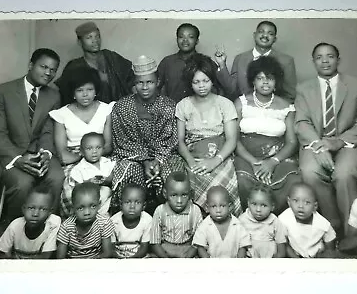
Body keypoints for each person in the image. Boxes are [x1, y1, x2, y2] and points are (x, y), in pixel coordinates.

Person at [295, 42, 357, 234]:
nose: (325, 61)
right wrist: (319, 144)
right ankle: (333, 227)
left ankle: (352, 233)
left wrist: (338, 141)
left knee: (345, 174)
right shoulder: (304, 88)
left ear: (338, 60)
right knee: (309, 171)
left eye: (330, 56)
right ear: (313, 62)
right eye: (319, 57)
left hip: (350, 142)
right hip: (316, 141)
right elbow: (301, 122)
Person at [110, 55, 185, 214]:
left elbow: (171, 139)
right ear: (134, 84)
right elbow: (122, 142)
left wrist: (157, 160)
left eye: (149, 82)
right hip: (132, 157)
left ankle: (167, 216)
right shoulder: (122, 107)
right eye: (140, 82)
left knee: (172, 173)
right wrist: (144, 161)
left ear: (157, 82)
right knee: (128, 171)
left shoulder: (169, 106)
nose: (145, 87)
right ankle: (132, 217)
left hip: (163, 156)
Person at [0, 48, 64, 221]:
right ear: (31, 65)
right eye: (44, 67)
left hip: (39, 154)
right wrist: (17, 159)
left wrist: (46, 154)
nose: (48, 73)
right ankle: (16, 232)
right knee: (22, 184)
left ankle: (49, 230)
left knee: (57, 178)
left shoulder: (54, 96)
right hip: (11, 156)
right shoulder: (3, 92)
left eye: (53, 70)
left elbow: (48, 130)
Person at [176, 53, 242, 216]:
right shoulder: (183, 105)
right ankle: (200, 223)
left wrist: (215, 161)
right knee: (191, 178)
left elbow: (232, 139)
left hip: (220, 155)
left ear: (212, 80)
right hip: (193, 156)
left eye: (205, 81)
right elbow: (180, 140)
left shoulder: (225, 104)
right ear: (190, 83)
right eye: (196, 82)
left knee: (223, 183)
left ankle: (226, 223)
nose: (201, 86)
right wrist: (191, 162)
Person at [233, 56, 301, 213]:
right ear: (253, 81)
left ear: (276, 82)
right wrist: (254, 162)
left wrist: (273, 162)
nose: (265, 82)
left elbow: (292, 142)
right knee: (242, 181)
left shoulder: (287, 107)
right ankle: (250, 221)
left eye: (269, 78)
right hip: (246, 155)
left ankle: (274, 223)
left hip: (277, 156)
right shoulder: (241, 103)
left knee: (293, 180)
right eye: (260, 78)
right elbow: (234, 140)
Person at [49, 67, 114, 217]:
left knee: (106, 187)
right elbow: (63, 155)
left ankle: (102, 227)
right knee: (72, 190)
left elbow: (108, 146)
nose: (85, 94)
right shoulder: (61, 114)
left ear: (96, 90)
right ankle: (73, 227)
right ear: (72, 92)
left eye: (90, 89)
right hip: (73, 161)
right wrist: (83, 156)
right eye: (80, 90)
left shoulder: (105, 109)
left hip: (100, 156)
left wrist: (93, 154)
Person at [215, 20, 297, 103]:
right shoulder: (240, 59)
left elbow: (290, 95)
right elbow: (232, 90)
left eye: (270, 33)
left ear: (275, 39)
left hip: (273, 111)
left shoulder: (286, 61)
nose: (265, 35)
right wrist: (222, 65)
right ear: (254, 35)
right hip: (245, 110)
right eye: (261, 32)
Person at [55, 21, 134, 105]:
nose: (95, 40)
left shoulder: (112, 57)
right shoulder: (74, 66)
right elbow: (64, 94)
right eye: (89, 37)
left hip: (119, 110)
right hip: (89, 114)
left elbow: (132, 80)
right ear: (79, 42)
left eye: (97, 36)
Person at [158, 23, 222, 102]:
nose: (185, 40)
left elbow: (219, 90)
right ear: (177, 39)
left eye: (190, 37)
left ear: (197, 41)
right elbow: (156, 88)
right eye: (181, 37)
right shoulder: (167, 62)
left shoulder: (206, 62)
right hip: (172, 110)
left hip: (200, 111)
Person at [0, 184, 61, 259]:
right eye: (31, 208)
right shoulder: (15, 225)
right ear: (23, 209)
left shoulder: (53, 224)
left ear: (50, 212)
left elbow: (46, 257)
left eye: (43, 209)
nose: (35, 214)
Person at [150, 171, 203, 258]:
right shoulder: (160, 211)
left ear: (190, 194)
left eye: (184, 195)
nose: (179, 201)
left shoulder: (195, 210)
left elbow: (199, 240)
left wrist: (187, 258)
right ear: (165, 194)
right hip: (165, 251)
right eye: (174, 195)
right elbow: (154, 242)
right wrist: (166, 260)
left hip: (188, 250)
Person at [56, 182, 114, 259]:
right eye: (81, 208)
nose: (87, 213)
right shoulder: (66, 227)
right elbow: (60, 259)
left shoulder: (104, 223)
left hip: (96, 263)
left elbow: (107, 253)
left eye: (93, 206)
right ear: (73, 208)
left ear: (99, 204)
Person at [279, 183, 336, 258]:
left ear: (315, 206)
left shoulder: (322, 224)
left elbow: (330, 245)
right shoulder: (284, 219)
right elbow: (284, 244)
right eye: (296, 201)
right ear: (289, 202)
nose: (301, 206)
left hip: (317, 257)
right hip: (294, 256)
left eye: (307, 202)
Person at [193, 186, 251, 258]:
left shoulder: (237, 224)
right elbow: (200, 246)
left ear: (229, 207)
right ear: (207, 208)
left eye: (222, 206)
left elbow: (243, 245)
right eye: (214, 206)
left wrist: (238, 262)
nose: (218, 210)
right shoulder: (205, 225)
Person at [67, 133, 116, 216]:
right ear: (82, 152)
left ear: (103, 149)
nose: (94, 151)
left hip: (107, 203)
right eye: (89, 148)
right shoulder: (79, 169)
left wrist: (106, 180)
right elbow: (76, 188)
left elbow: (112, 177)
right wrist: (88, 182)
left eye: (98, 148)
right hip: (88, 203)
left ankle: (104, 216)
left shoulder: (106, 162)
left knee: (107, 191)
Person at [239, 183, 286, 258]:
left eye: (264, 205)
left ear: (272, 207)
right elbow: (240, 244)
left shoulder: (274, 221)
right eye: (254, 204)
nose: (258, 210)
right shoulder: (243, 219)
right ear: (248, 203)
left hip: (269, 260)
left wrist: (277, 259)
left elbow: (281, 244)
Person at [111, 183, 152, 259]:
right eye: (127, 202)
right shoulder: (113, 221)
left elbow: (144, 248)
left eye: (137, 202)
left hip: (139, 257)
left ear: (144, 206)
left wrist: (132, 260)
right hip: (118, 257)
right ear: (121, 204)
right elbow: (111, 247)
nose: (132, 207)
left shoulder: (147, 220)